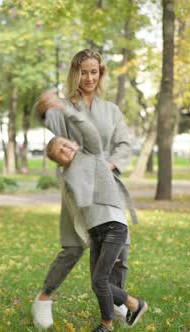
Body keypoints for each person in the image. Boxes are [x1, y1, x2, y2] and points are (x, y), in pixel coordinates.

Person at [32, 49, 137, 329]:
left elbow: (124, 144)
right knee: (72, 246)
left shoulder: (110, 110)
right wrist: (44, 104)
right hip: (77, 186)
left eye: (94, 72)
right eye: (84, 72)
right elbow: (45, 118)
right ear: (75, 73)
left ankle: (116, 304)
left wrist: (112, 164)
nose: (89, 77)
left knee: (118, 252)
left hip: (106, 185)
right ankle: (44, 297)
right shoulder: (65, 106)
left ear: (100, 74)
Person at [45, 104, 147, 331]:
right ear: (57, 161)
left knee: (101, 280)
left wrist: (64, 109)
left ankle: (107, 324)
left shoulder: (91, 152)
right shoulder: (66, 177)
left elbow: (87, 128)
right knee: (97, 283)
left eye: (65, 144)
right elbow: (77, 213)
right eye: (58, 152)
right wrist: (87, 238)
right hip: (96, 232)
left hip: (113, 226)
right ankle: (134, 304)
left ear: (73, 142)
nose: (65, 150)